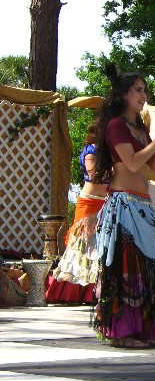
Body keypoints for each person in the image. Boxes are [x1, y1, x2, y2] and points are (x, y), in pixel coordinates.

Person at [92, 64, 155, 348]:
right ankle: (120, 332)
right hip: (124, 205)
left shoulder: (140, 128)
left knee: (145, 269)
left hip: (142, 204)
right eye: (138, 90)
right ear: (123, 95)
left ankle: (140, 327)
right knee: (125, 269)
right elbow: (131, 163)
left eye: (145, 90)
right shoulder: (116, 125)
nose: (144, 95)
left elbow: (152, 167)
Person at [46, 122, 108, 304]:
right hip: (89, 202)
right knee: (82, 245)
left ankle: (93, 291)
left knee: (99, 247)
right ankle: (72, 291)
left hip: (106, 202)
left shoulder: (111, 152)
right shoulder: (92, 151)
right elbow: (94, 173)